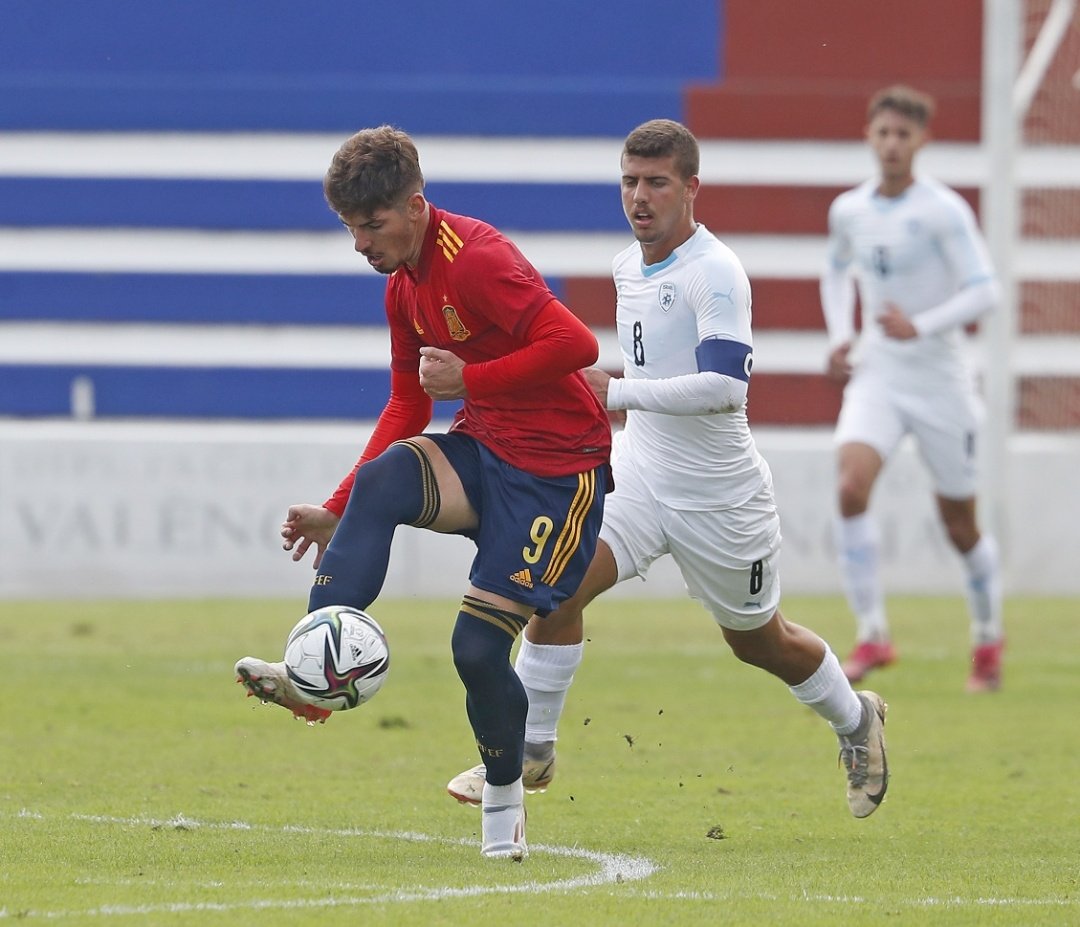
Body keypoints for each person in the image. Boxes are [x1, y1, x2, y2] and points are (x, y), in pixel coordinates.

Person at [447, 118, 889, 819]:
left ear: (691, 188)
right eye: (629, 181)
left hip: (719, 496)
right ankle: (531, 749)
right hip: (640, 473)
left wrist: (617, 392)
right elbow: (652, 370)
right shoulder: (628, 265)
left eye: (656, 182)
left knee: (759, 642)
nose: (639, 197)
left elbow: (725, 388)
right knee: (555, 590)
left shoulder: (715, 272)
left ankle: (856, 719)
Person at [233, 125, 611, 860]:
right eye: (350, 227)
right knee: (385, 479)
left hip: (558, 474)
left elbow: (576, 345)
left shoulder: (478, 260)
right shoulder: (403, 285)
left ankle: (504, 801)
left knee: (476, 649)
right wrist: (338, 506)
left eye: (371, 225)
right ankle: (313, 673)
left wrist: (472, 379)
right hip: (486, 447)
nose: (359, 244)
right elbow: (408, 404)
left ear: (414, 206)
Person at [820, 86, 1004, 691]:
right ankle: (872, 632)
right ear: (869, 136)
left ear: (923, 140)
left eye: (904, 134)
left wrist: (920, 325)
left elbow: (986, 291)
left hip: (940, 382)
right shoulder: (849, 209)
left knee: (959, 525)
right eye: (884, 133)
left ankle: (987, 637)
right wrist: (841, 335)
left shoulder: (943, 211)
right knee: (850, 487)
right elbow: (835, 270)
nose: (892, 145)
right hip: (879, 373)